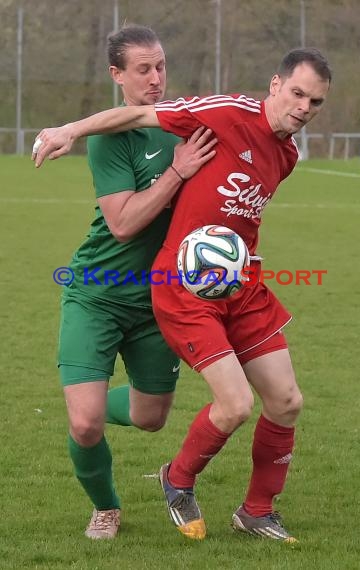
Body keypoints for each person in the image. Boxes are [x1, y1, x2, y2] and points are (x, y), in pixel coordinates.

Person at [32, 47, 331, 543]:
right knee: (230, 405)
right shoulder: (225, 113)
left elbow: (236, 217)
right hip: (173, 286)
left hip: (238, 286)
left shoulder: (289, 155)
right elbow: (136, 131)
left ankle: (257, 510)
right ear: (275, 85)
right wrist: (70, 130)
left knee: (286, 401)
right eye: (297, 93)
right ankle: (170, 480)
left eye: (315, 102)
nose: (303, 106)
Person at [35, 24, 216, 540]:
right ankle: (106, 507)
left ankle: (83, 401)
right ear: (118, 76)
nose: (156, 79)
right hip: (96, 292)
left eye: (161, 66)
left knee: (151, 418)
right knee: (87, 424)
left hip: (159, 299)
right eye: (143, 69)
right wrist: (177, 173)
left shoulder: (185, 123)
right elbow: (123, 222)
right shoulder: (110, 139)